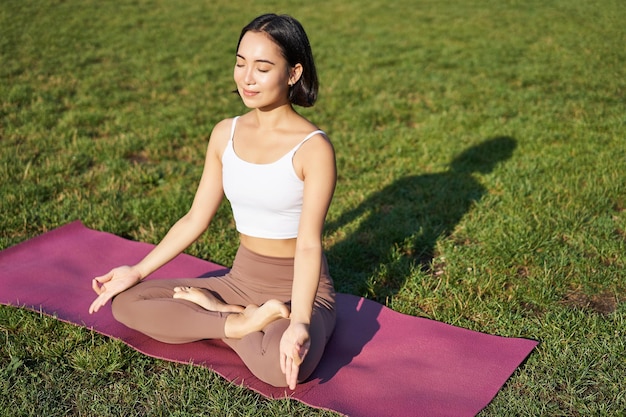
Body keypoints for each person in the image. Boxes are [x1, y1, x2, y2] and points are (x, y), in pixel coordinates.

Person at [88, 13, 336, 390]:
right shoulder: (225, 133)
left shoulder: (313, 148)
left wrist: (300, 321)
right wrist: (137, 271)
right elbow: (194, 218)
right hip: (241, 279)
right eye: (240, 63)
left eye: (263, 67)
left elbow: (307, 243)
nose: (247, 78)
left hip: (300, 288)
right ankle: (236, 320)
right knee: (126, 303)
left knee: (283, 370)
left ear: (293, 73)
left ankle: (222, 317)